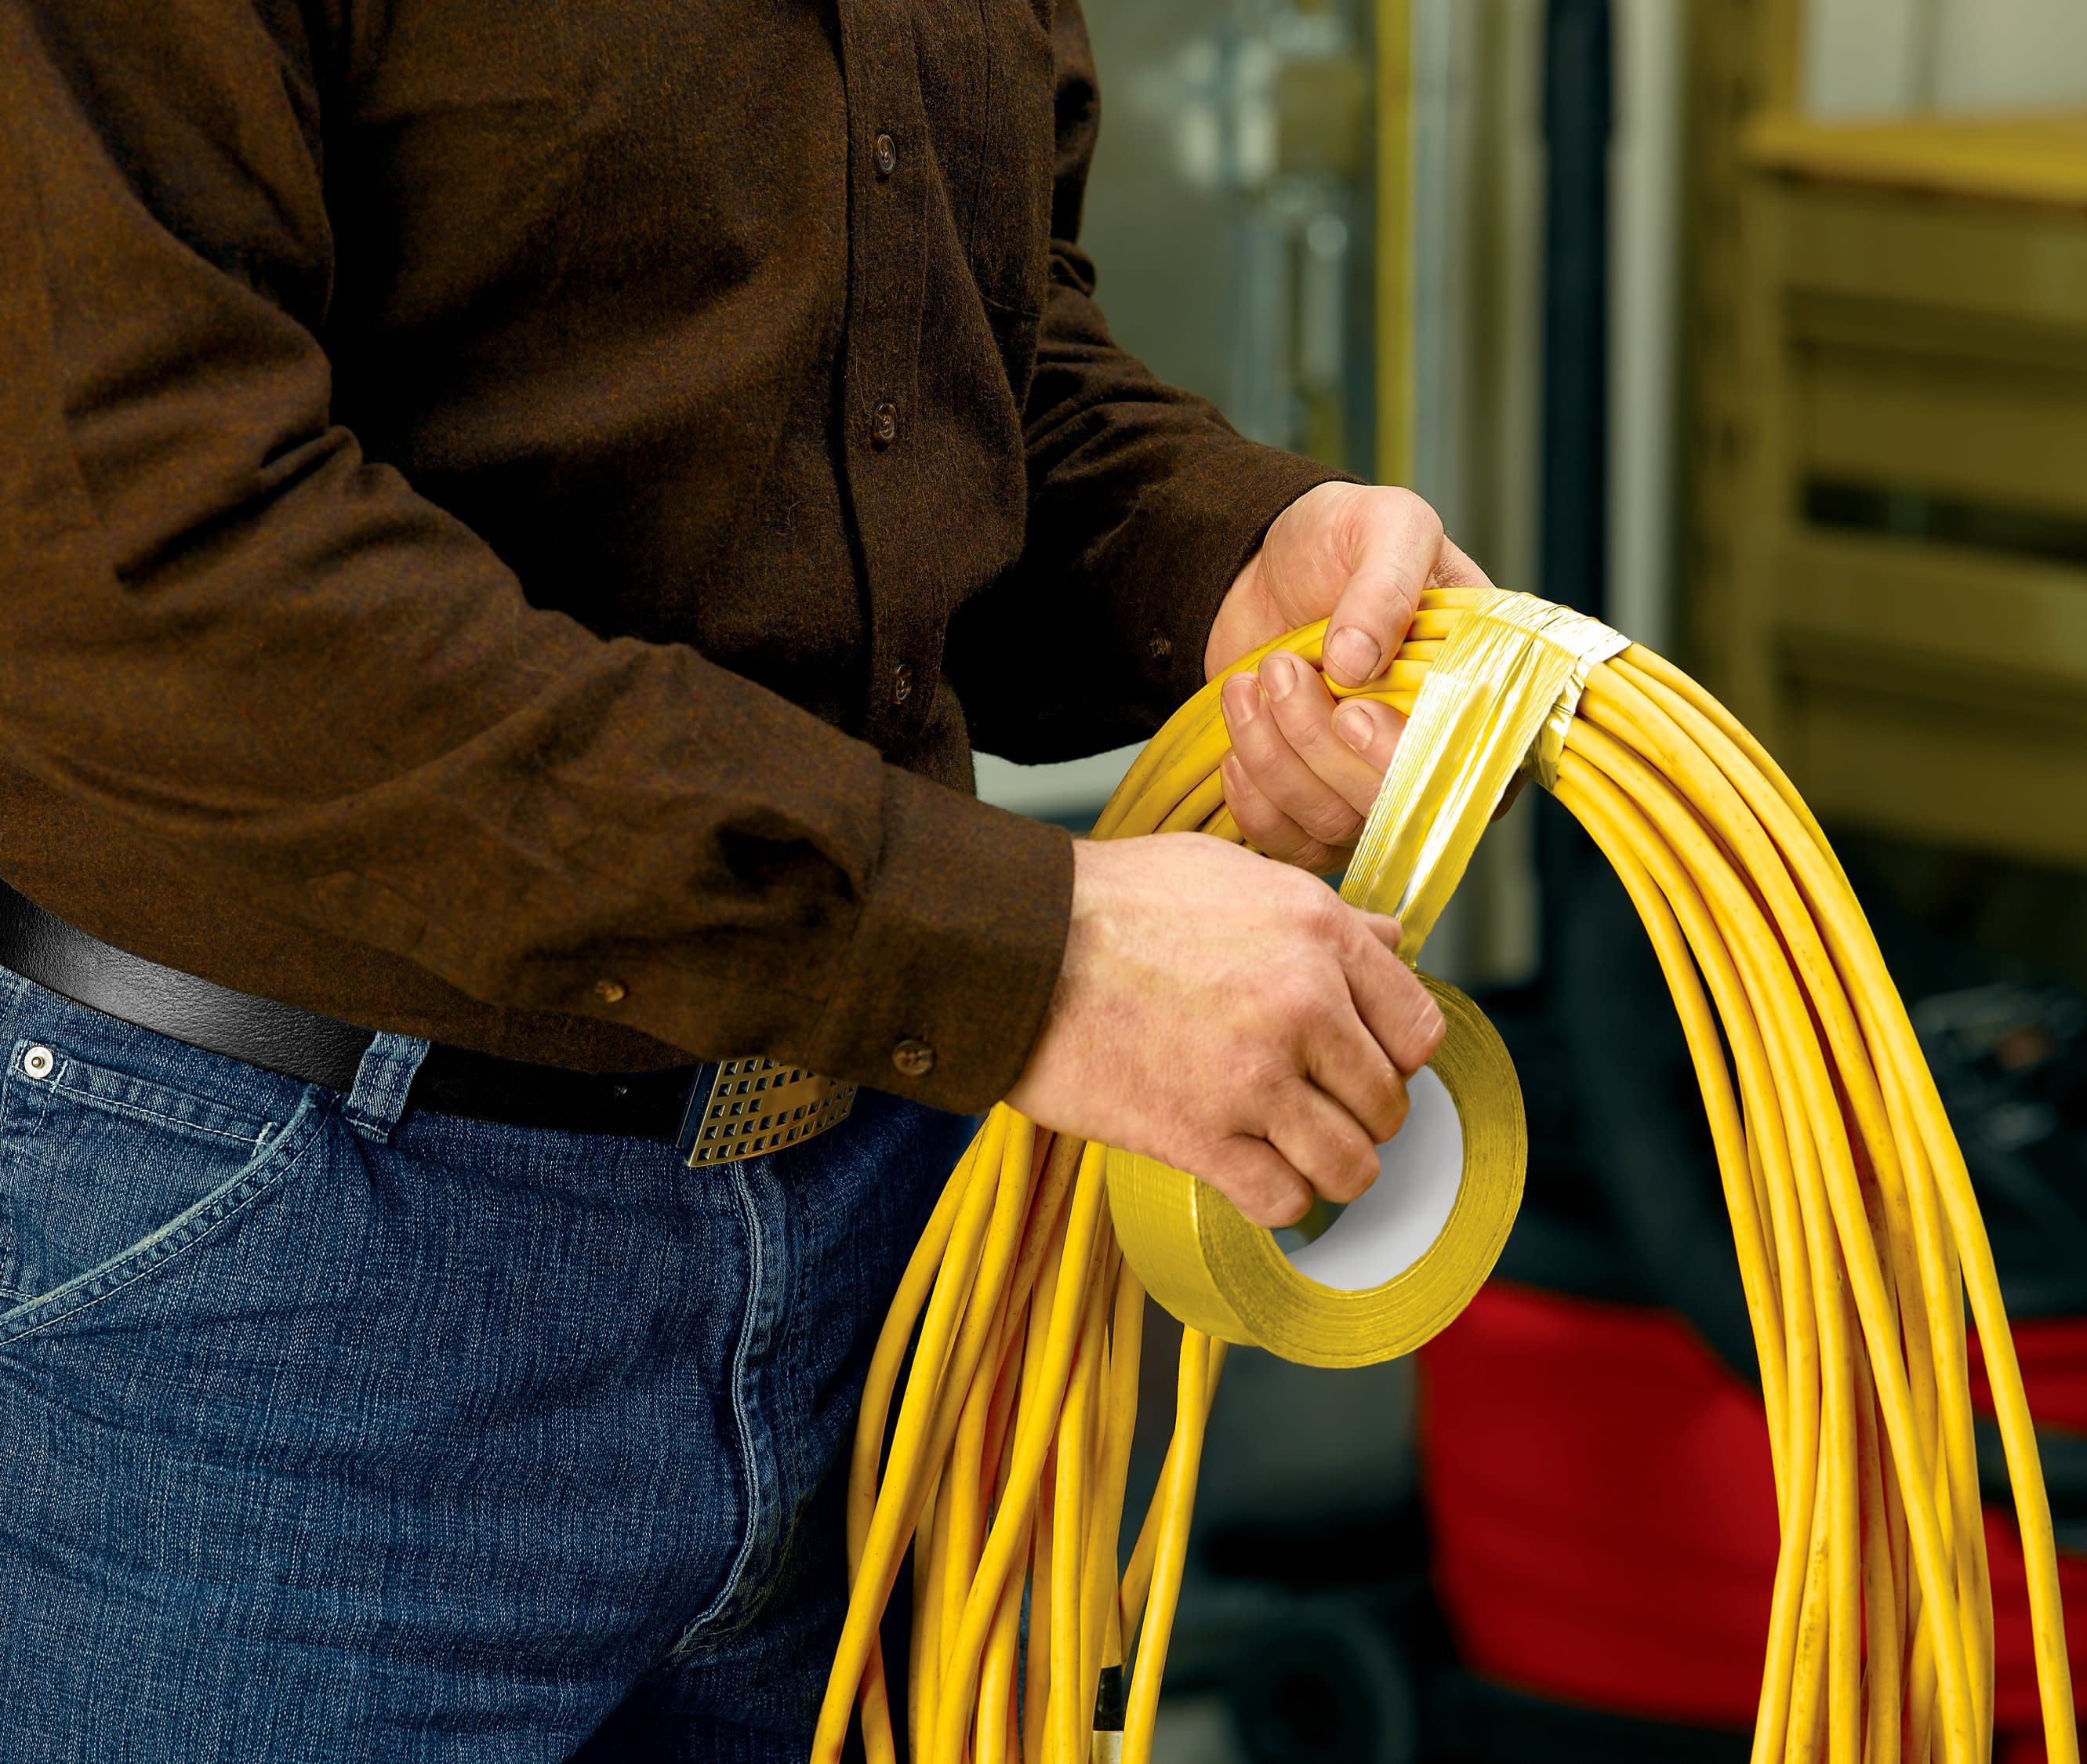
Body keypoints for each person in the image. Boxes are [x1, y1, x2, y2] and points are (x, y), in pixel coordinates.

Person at [0, 2, 1490, 1756]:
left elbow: (944, 369)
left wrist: (1222, 552)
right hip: (285, 1298)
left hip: (874, 1235)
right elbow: (161, 566)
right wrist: (1031, 959)